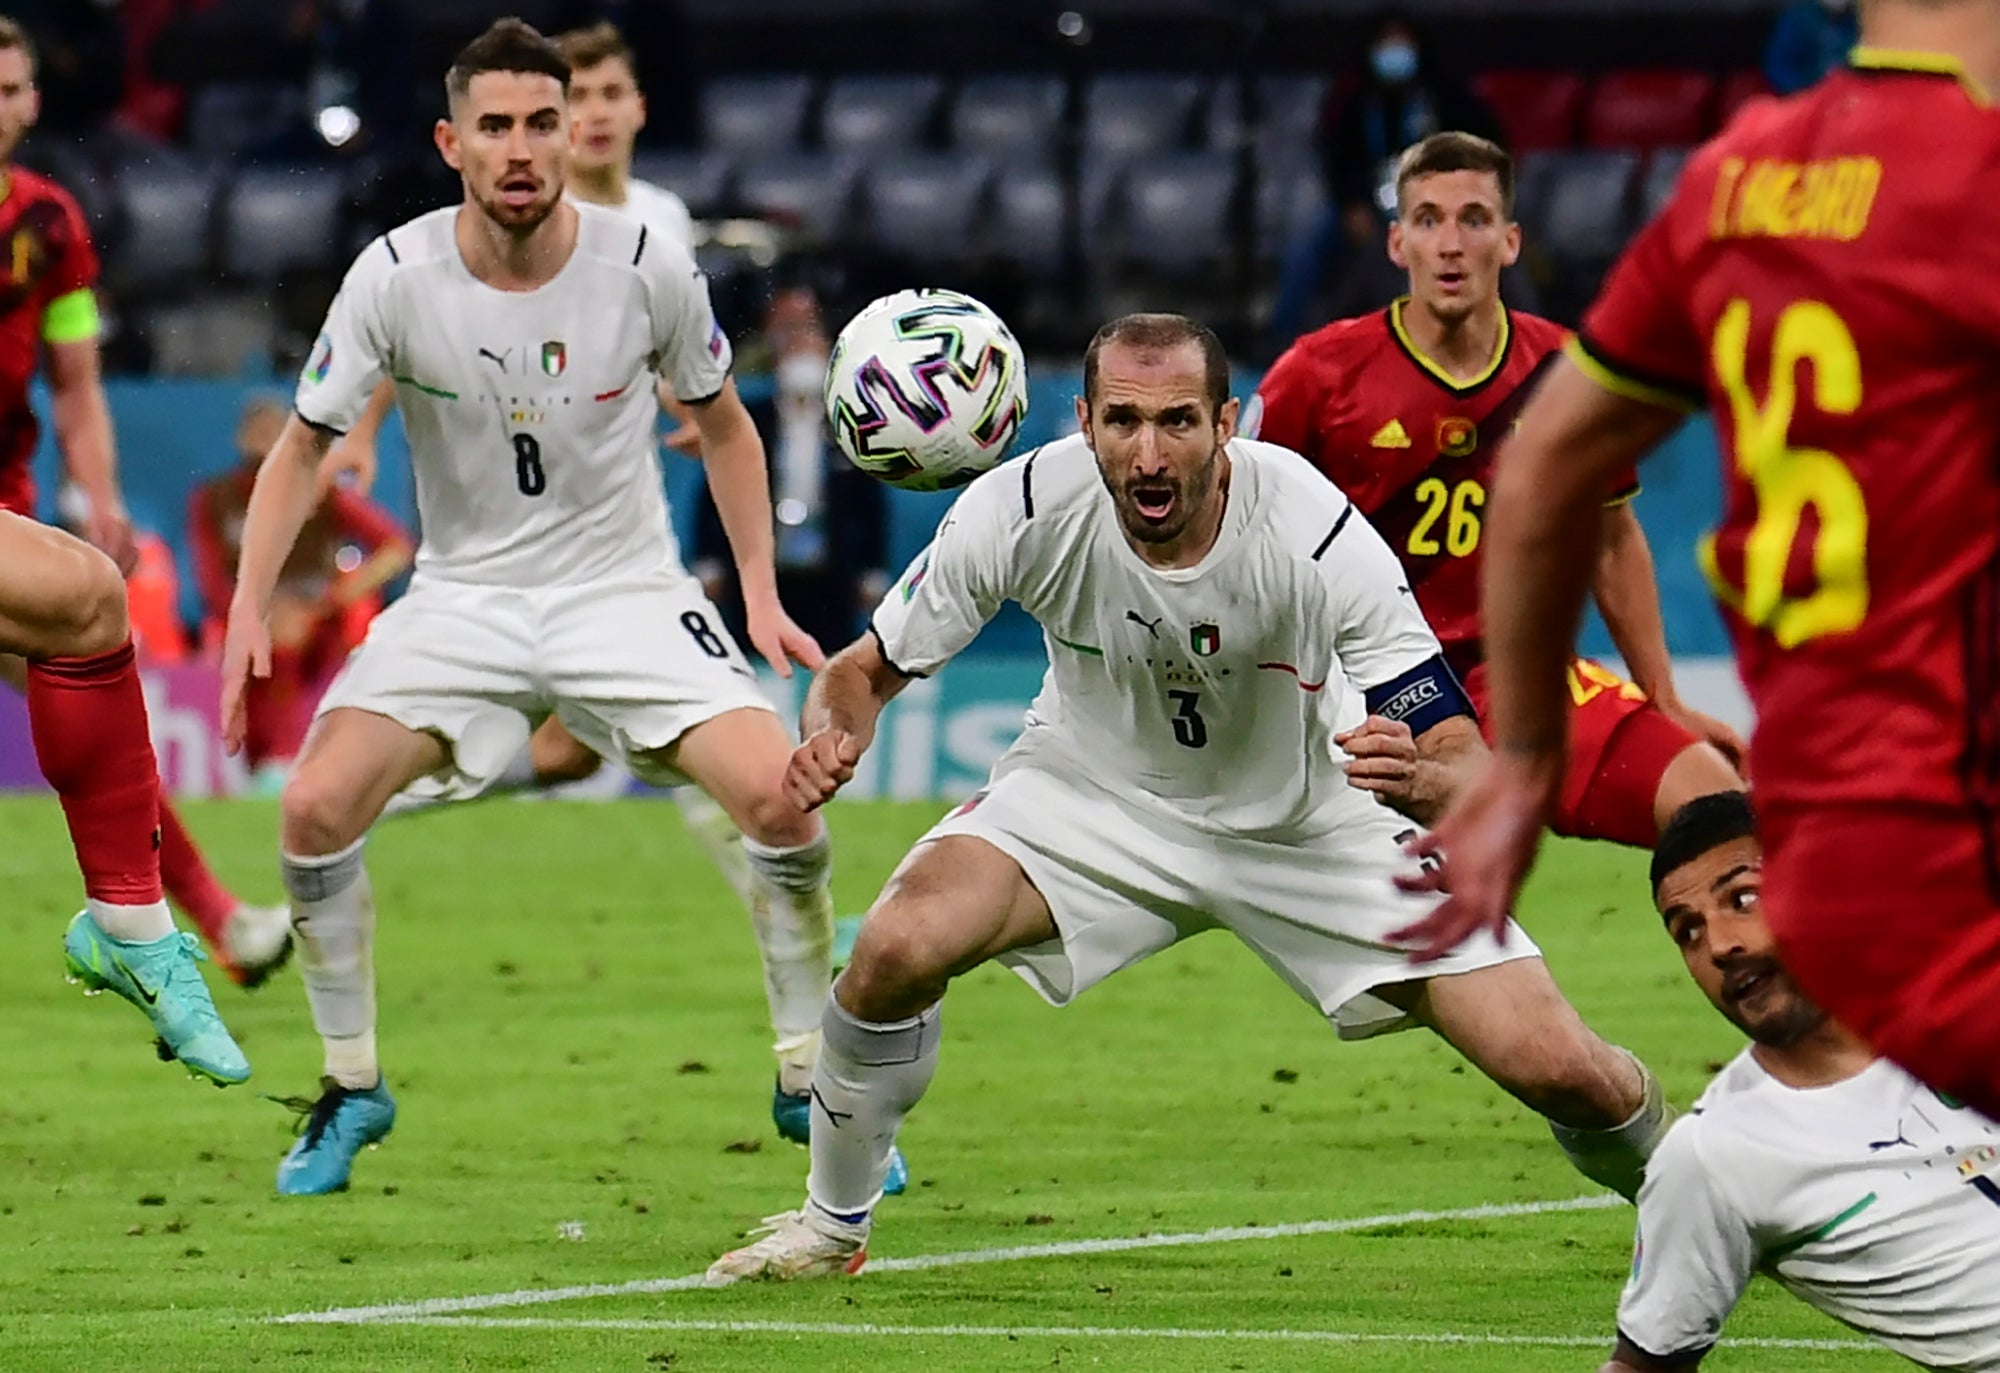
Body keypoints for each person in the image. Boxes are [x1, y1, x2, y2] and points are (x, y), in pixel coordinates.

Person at [703, 313, 1672, 1284]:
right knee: (894, 946)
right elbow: (862, 670)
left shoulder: (1311, 523)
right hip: (1091, 797)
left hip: (1311, 817)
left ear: (1228, 422)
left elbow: (1455, 747)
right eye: (1122, 421)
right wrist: (832, 730)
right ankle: (832, 1228)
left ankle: (1682, 1191)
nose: (1148, 452)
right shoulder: (1023, 506)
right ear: (1080, 421)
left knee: (1562, 1069)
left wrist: (1426, 778)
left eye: (1176, 421)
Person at [221, 18, 839, 1197]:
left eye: (540, 123)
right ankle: (351, 1086)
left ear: (567, 135)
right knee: (311, 808)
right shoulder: (393, 274)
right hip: (463, 598)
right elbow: (302, 448)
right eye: (494, 126)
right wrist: (251, 605)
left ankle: (813, 1077)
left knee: (779, 799)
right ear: (453, 141)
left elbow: (723, 422)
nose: (520, 148)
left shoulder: (647, 259)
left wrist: (757, 595)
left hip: (626, 590)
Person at [1399, 4, 2000, 1121]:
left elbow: (1539, 466)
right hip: (1960, 831)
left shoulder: (1741, 176)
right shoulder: (1975, 174)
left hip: (1829, 856)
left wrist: (1526, 756)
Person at [1252, 132, 1744, 848]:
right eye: (1428, 219)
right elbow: (1241, 531)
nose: (1451, 243)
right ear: (1398, 245)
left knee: (1720, 809)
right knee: (1443, 903)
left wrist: (1663, 697)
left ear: (1510, 241)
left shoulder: (1566, 371)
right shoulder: (1317, 376)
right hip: (1371, 690)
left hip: (1520, 679)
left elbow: (1610, 542)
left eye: (1474, 219)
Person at [0, 15, 290, 990]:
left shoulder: (51, 226)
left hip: (9, 509)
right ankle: (208, 918)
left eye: (9, 91)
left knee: (99, 730)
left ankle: (203, 918)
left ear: (34, 101)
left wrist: (105, 495)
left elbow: (76, 382)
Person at [1602, 791, 2000, 1372]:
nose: (1719, 945)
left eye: (1743, 899)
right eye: (1687, 932)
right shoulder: (1717, 1156)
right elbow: (1642, 1364)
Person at [190, 396, 413, 780]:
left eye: (272, 430)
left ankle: (286, 758)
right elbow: (210, 576)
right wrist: (248, 612)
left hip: (316, 620)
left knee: (288, 641)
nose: (262, 441)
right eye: (255, 431)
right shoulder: (215, 498)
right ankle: (261, 765)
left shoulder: (321, 491)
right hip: (246, 616)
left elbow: (394, 548)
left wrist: (331, 601)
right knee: (257, 653)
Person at [1268, 11, 1501, 344]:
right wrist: (1351, 205)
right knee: (1308, 249)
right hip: (1367, 206)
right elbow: (1338, 161)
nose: (1395, 52)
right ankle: (1284, 339)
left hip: (1441, 208)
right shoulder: (1355, 102)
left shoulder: (1448, 100)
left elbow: (1486, 153)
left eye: (1402, 43)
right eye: (1387, 44)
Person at [691, 285, 889, 654]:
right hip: (758, 571)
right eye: (791, 337)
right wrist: (709, 560)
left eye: (808, 336)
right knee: (751, 658)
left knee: (828, 662)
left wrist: (873, 568)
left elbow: (869, 498)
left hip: (830, 575)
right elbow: (717, 485)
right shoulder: (750, 418)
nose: (800, 348)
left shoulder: (849, 420)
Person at [1765, 0, 1861, 95]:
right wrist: (1803, 93)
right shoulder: (1800, 18)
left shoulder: (1858, 19)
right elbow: (1779, 64)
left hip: (1847, 95)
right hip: (1805, 94)